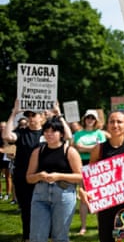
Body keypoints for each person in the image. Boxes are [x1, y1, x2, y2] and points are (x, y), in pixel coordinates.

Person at [2, 99, 71, 242]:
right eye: (29, 115)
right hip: (24, 178)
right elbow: (7, 136)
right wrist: (14, 112)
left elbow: (68, 136)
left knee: (49, 210)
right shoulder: (21, 133)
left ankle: (49, 236)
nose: (31, 118)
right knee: (27, 211)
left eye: (34, 115)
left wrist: (59, 114)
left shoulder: (49, 132)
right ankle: (28, 237)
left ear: (42, 116)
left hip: (46, 179)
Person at [80, 110, 124, 242]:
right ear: (107, 125)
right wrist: (83, 190)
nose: (115, 125)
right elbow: (90, 176)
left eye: (119, 122)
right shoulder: (99, 149)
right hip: (107, 205)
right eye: (112, 122)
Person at [26, 116, 82, 242]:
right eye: (46, 131)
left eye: (53, 131)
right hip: (40, 195)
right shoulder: (37, 152)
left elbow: (80, 176)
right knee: (37, 236)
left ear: (61, 134)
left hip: (64, 194)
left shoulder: (69, 151)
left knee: (60, 237)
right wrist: (39, 176)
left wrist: (58, 176)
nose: (49, 134)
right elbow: (29, 178)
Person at [73, 109, 107, 235]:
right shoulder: (78, 134)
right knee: (83, 197)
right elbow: (78, 148)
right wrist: (94, 147)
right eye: (88, 118)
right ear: (84, 119)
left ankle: (100, 225)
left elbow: (101, 149)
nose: (90, 120)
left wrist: (86, 148)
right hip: (82, 165)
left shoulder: (100, 133)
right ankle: (83, 226)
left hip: (96, 165)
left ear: (96, 120)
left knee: (98, 197)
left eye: (93, 118)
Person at [0, 121, 13, 201]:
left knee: (8, 177)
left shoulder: (9, 136)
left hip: (7, 158)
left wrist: (3, 150)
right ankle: (0, 193)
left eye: (4, 127)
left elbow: (12, 148)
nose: (2, 128)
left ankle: (8, 194)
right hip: (0, 158)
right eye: (1, 127)